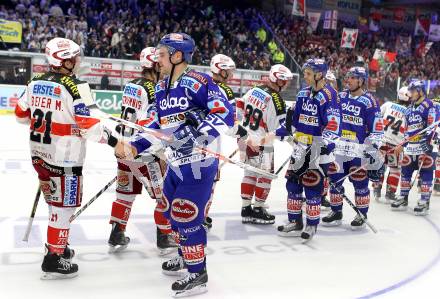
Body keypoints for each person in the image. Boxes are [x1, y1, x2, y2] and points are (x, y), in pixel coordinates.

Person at [116, 33, 234, 297]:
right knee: (169, 211)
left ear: (177, 55)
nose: (157, 58)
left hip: (199, 163)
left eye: (161, 53)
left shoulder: (198, 81)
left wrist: (195, 135)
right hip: (176, 162)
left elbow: (224, 113)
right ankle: (185, 256)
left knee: (186, 214)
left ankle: (197, 274)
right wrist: (136, 144)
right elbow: (159, 125)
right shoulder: (160, 87)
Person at [14, 37, 123, 279]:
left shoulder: (34, 81)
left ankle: (58, 246)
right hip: (66, 159)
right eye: (73, 57)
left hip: (39, 155)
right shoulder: (78, 86)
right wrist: (116, 142)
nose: (77, 61)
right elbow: (89, 127)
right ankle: (53, 257)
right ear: (63, 60)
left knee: (55, 202)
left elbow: (21, 115)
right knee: (64, 207)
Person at [107, 47, 176, 255]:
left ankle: (116, 232)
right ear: (155, 65)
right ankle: (164, 236)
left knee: (124, 194)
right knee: (164, 194)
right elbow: (150, 126)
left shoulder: (131, 85)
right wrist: (160, 153)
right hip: (144, 153)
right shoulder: (156, 90)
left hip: (124, 147)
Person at [275, 58, 341, 241]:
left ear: (319, 75)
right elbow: (294, 122)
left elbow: (334, 127)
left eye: (308, 73)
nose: (304, 76)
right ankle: (295, 222)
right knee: (293, 185)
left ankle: (311, 225)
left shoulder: (330, 96)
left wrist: (321, 147)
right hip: (300, 150)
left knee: (313, 187)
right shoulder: (303, 93)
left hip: (318, 152)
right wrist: (278, 133)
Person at [322, 66, 383, 230]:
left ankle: (362, 214)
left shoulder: (369, 102)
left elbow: (377, 130)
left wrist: (373, 148)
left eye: (351, 77)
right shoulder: (340, 97)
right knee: (335, 182)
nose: (347, 80)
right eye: (347, 76)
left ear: (361, 81)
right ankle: (336, 212)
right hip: (339, 151)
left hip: (358, 152)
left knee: (360, 184)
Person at [237, 64, 292, 225]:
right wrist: (293, 141)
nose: (287, 84)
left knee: (249, 174)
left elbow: (239, 105)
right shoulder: (277, 100)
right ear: (279, 80)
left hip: (246, 140)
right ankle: (259, 209)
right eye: (286, 80)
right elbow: (280, 129)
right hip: (263, 143)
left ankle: (246, 208)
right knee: (265, 176)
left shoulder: (256, 89)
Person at [391, 80, 438, 215]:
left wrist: (429, 142)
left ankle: (424, 201)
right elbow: (407, 130)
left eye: (412, 91)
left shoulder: (430, 105)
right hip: (411, 147)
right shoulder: (409, 109)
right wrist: (402, 144)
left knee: (426, 173)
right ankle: (403, 197)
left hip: (426, 147)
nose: (410, 94)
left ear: (420, 91)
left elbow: (433, 125)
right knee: (405, 172)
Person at [203, 53, 236, 230]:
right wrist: (247, 137)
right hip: (211, 146)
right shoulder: (226, 91)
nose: (231, 75)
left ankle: (187, 215)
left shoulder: (201, 82)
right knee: (209, 184)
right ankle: (200, 216)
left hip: (192, 141)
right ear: (220, 70)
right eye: (228, 71)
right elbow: (231, 125)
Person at [373, 86, 409, 203]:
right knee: (395, 169)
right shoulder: (409, 112)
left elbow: (377, 116)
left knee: (380, 165)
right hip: (396, 145)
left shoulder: (388, 104)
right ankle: (390, 192)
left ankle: (377, 188)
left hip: (382, 142)